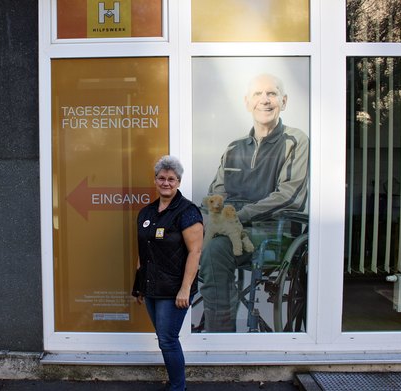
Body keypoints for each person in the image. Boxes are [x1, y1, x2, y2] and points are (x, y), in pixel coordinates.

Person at [199, 73, 309, 332]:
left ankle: (219, 336)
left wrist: (240, 215)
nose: (265, 100)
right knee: (181, 239)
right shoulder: (234, 148)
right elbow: (216, 192)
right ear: (247, 102)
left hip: (273, 232)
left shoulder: (295, 141)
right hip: (231, 229)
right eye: (258, 94)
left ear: (284, 100)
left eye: (271, 93)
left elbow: (288, 195)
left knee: (215, 250)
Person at [132, 155, 203, 391]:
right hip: (152, 286)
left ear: (179, 182)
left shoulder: (188, 212)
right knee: (165, 339)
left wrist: (185, 289)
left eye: (171, 179)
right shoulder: (147, 212)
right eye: (162, 178)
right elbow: (143, 251)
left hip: (174, 289)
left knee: (168, 340)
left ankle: (177, 387)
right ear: (155, 180)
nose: (166, 183)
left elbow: (195, 252)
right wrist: (139, 286)